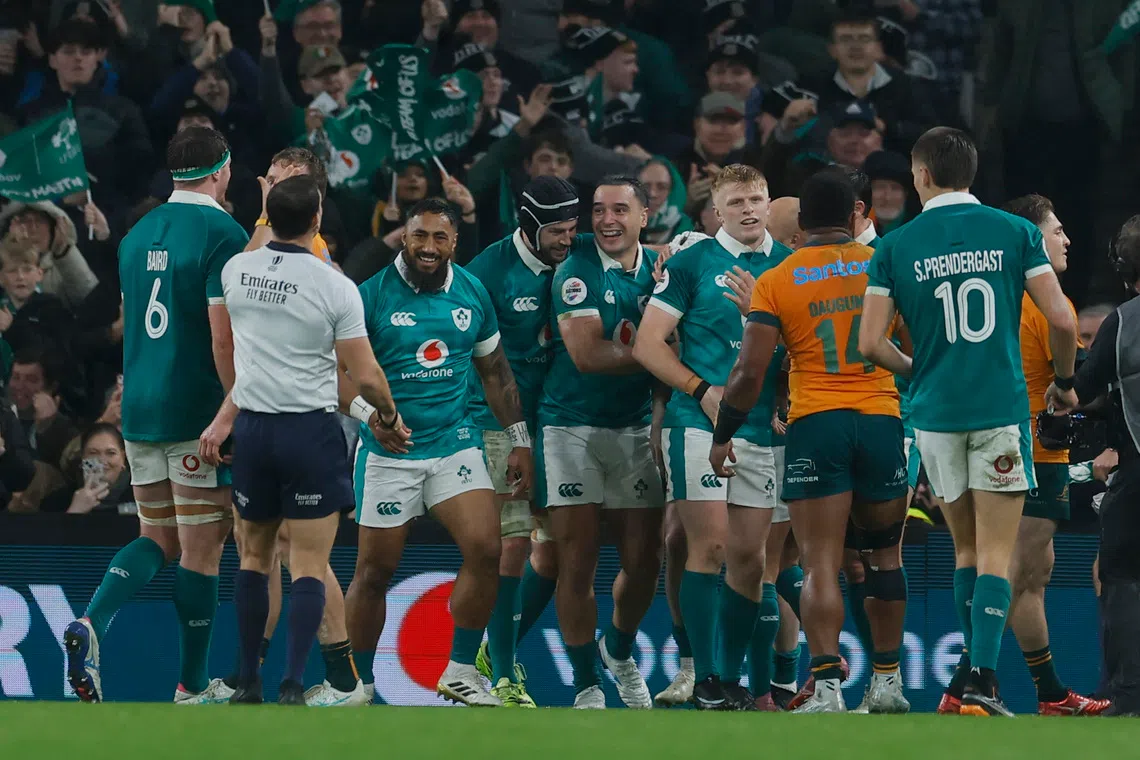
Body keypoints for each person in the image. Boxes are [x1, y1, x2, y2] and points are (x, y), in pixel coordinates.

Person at [858, 127, 1079, 717]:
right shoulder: (1015, 232)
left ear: (922, 175)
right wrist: (1063, 381)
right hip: (999, 410)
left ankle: (970, 687)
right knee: (996, 555)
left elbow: (869, 343)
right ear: (971, 173)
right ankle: (981, 679)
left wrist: (918, 372)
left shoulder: (894, 246)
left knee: (965, 551)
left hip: (935, 415)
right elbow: (1062, 318)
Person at [711, 171, 910, 714]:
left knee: (820, 564)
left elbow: (750, 372)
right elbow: (914, 347)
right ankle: (888, 683)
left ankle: (826, 689)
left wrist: (724, 433)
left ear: (801, 223)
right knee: (884, 559)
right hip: (880, 419)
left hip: (817, 424)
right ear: (854, 216)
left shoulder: (779, 278)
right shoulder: (883, 265)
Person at [197, 174, 399, 705]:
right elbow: (365, 373)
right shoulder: (334, 286)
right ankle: (292, 681)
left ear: (269, 216)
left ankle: (247, 679)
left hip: (254, 430)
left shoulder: (237, 270)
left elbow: (228, 340)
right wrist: (387, 411)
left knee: (253, 557)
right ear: (317, 220)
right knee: (308, 564)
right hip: (308, 431)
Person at [63, 126, 249, 704]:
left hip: (140, 407)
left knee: (157, 537)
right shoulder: (225, 232)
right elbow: (222, 337)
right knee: (202, 547)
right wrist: (233, 407)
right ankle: (192, 685)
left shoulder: (136, 235)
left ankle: (92, 621)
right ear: (221, 169)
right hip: (196, 410)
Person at [344, 198, 533, 707]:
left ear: (454, 242)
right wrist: (370, 418)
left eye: (439, 237)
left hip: (455, 443)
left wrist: (519, 439)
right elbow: (336, 373)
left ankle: (461, 670)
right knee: (374, 572)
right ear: (404, 237)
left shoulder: (471, 292)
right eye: (419, 236)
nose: (428, 247)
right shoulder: (369, 295)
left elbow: (495, 371)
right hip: (389, 452)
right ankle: (359, 683)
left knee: (487, 550)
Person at [635, 164, 792, 711]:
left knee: (751, 561)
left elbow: (801, 350)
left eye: (756, 199)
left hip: (760, 429)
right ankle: (703, 678)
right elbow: (648, 344)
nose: (748, 210)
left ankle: (728, 677)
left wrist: (764, 327)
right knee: (713, 546)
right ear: (716, 211)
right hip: (696, 423)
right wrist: (699, 389)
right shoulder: (692, 263)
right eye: (736, 202)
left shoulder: (788, 266)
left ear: (769, 203)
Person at [540, 176, 665, 709]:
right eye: (598, 210)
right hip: (570, 426)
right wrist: (662, 354)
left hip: (635, 427)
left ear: (644, 216)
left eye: (619, 209)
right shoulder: (576, 270)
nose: (607, 220)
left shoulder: (664, 267)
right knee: (577, 559)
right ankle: (586, 681)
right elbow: (588, 355)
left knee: (645, 561)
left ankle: (617, 648)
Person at [991, 193, 1108, 715]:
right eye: (1057, 230)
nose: (1067, 239)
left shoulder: (1002, 293)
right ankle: (966, 682)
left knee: (1035, 573)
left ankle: (1050, 693)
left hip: (1017, 447)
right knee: (1015, 571)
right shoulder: (1043, 299)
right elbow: (1074, 387)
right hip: (1033, 451)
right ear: (1032, 238)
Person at [465, 177, 580, 707]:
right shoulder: (487, 273)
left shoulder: (577, 259)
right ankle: (505, 679)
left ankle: (494, 651)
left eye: (572, 228)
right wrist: (514, 437)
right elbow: (475, 361)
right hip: (496, 423)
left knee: (551, 554)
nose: (567, 239)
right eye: (557, 231)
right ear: (530, 226)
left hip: (555, 419)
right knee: (513, 542)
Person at [1058, 215, 1140, 715]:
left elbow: (1080, 389)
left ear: (1125, 270)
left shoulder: (1125, 320)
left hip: (1136, 469)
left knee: (1122, 574)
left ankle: (1129, 695)